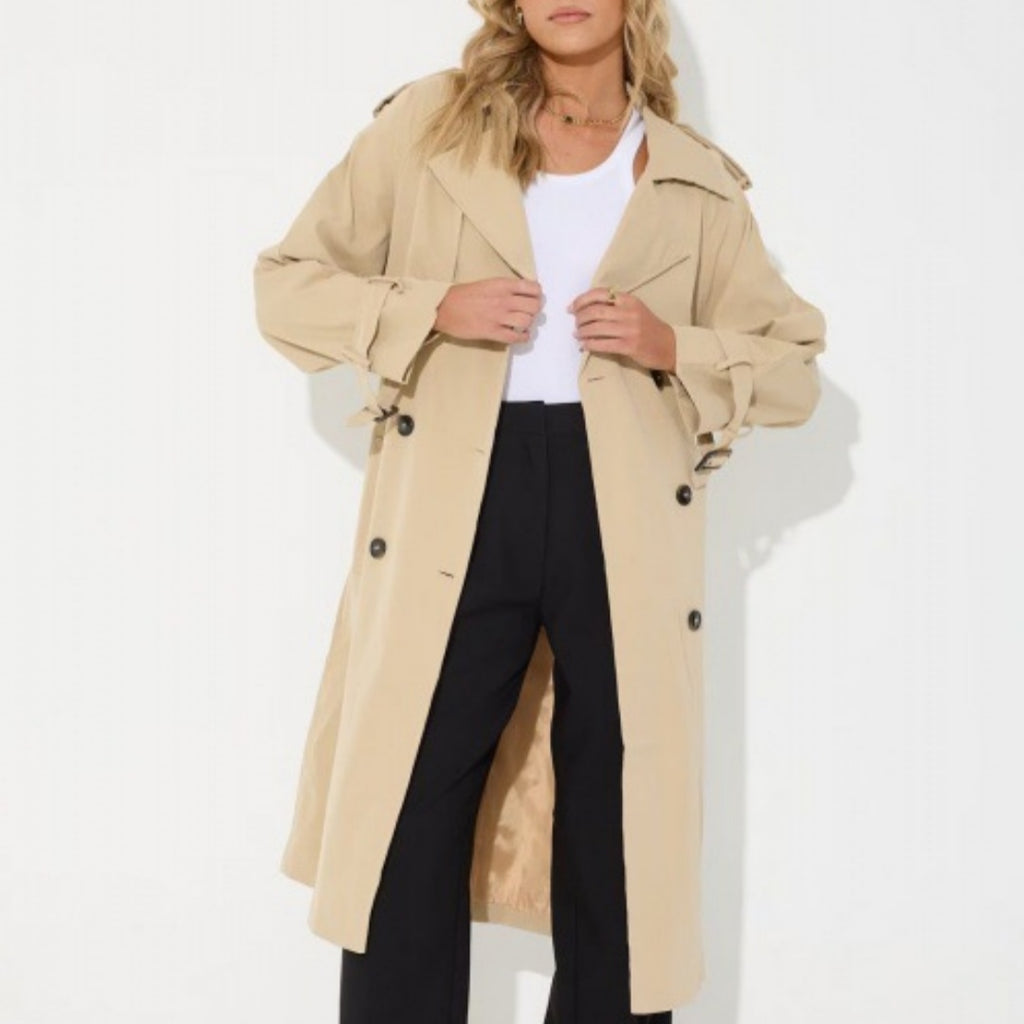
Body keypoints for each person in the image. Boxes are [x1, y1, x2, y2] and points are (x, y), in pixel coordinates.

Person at [252, 2, 827, 1022]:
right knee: (408, 801)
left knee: (619, 814)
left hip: (623, 508)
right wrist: (431, 307)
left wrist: (673, 346)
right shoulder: (431, 127)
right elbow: (286, 287)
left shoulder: (690, 176)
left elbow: (794, 372)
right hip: (461, 495)